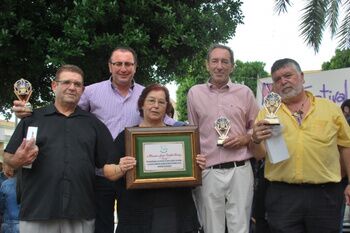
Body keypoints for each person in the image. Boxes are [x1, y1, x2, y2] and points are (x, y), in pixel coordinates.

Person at [12, 46, 176, 233]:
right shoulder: (90, 92)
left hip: (132, 172)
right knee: (101, 227)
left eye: (128, 64)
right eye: (118, 63)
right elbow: (64, 110)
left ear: (135, 67)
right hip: (99, 174)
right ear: (110, 66)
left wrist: (188, 137)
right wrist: (30, 112)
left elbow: (165, 121)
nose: (123, 68)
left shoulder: (146, 94)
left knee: (133, 223)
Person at [3, 64, 116, 233]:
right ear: (54, 86)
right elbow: (7, 158)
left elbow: (109, 162)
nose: (72, 87)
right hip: (37, 211)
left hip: (80, 212)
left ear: (82, 90)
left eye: (77, 84)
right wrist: (16, 160)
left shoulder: (94, 124)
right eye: (66, 82)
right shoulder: (32, 119)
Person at [249, 58, 350, 233]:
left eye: (288, 75)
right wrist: (255, 140)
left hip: (325, 195)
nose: (283, 82)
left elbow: (346, 146)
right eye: (277, 79)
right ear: (273, 86)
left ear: (302, 77)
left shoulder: (330, 109)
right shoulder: (266, 113)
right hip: (282, 195)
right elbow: (259, 155)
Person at [103, 84, 206, 233]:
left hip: (176, 210)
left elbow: (192, 177)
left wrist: (197, 166)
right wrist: (121, 168)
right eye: (151, 101)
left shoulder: (182, 136)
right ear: (142, 104)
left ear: (167, 107)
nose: (156, 106)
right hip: (136, 213)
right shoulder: (126, 137)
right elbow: (108, 171)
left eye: (161, 102)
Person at [187, 44, 259, 233]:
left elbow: (257, 126)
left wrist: (246, 138)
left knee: (240, 227)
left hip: (240, 169)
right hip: (208, 170)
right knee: (211, 227)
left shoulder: (244, 93)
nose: (219, 66)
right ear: (207, 65)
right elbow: (192, 133)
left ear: (232, 66)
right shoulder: (195, 93)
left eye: (225, 61)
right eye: (215, 61)